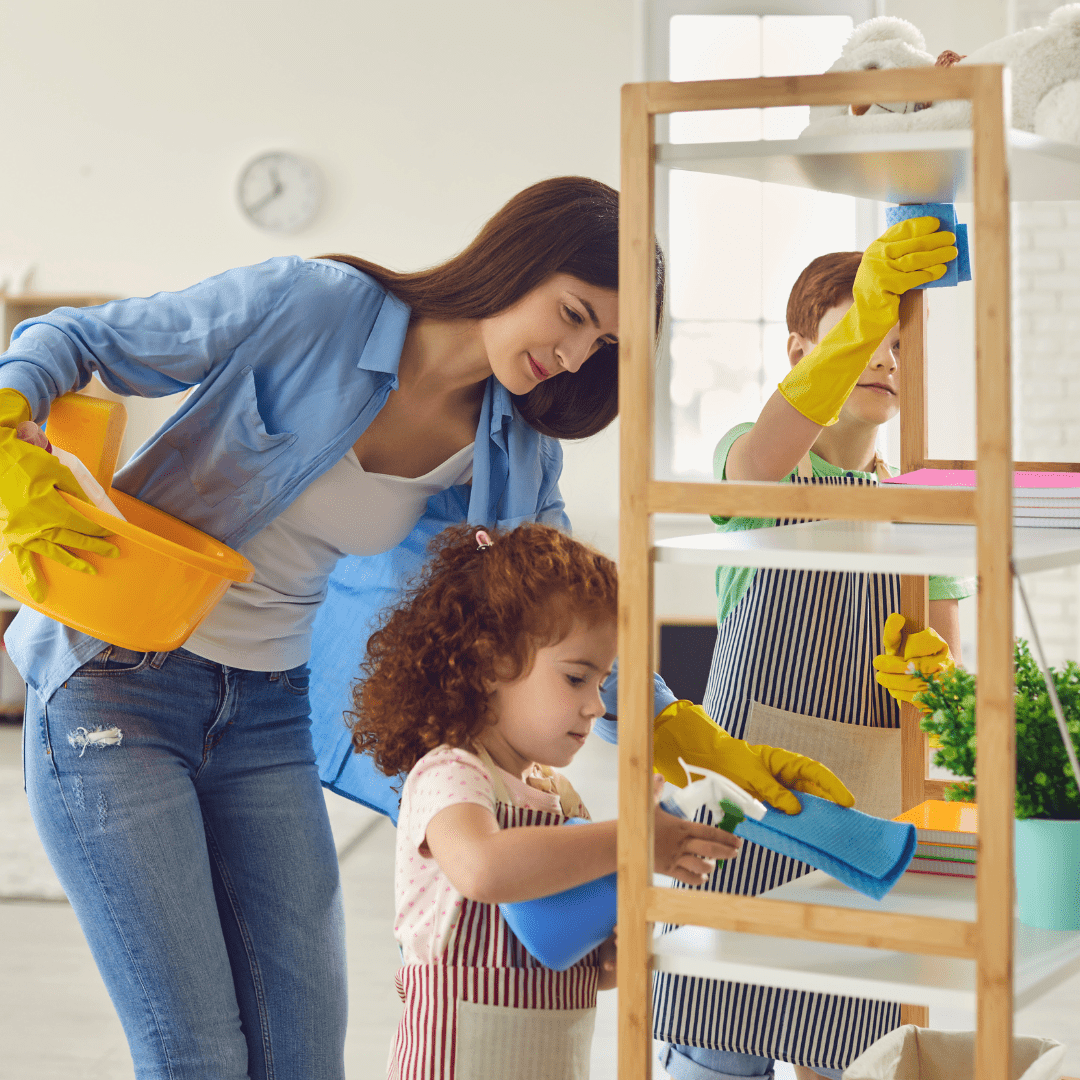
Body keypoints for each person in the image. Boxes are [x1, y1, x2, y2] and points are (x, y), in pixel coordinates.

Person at [0, 174, 838, 1080]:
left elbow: (568, 609)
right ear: (516, 260)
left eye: (602, 341)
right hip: (116, 686)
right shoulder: (318, 306)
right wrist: (12, 407)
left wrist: (679, 725)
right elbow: (76, 338)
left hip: (266, 711)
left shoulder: (511, 448)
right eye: (571, 312)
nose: (575, 350)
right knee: (197, 1051)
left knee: (303, 1050)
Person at [650, 220, 973, 1080]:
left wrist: (936, 676)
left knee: (853, 1046)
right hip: (748, 798)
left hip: (864, 807)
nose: (885, 359)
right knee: (722, 1031)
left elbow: (947, 664)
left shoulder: (924, 507)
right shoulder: (758, 466)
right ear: (801, 350)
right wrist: (865, 313)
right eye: (863, 334)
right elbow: (761, 458)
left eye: (901, 344)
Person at [351, 522, 739, 1079]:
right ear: (491, 664)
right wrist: (630, 837)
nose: (596, 708)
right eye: (577, 679)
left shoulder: (561, 802)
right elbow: (483, 869)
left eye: (602, 682)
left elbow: (573, 959)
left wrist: (615, 946)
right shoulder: (451, 774)